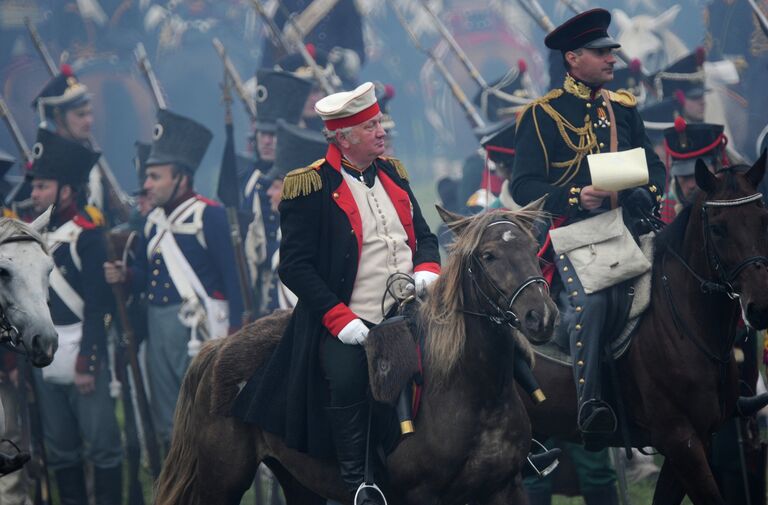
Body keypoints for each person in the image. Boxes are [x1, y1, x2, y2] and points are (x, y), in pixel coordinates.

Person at [232, 82, 440, 504]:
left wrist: (427, 269)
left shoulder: (394, 174)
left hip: (413, 309)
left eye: (379, 122)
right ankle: (359, 479)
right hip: (351, 319)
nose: (381, 132)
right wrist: (340, 319)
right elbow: (294, 266)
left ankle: (513, 448)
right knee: (346, 378)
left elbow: (425, 236)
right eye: (370, 126)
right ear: (343, 139)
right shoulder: (308, 186)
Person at [511, 8, 666, 435]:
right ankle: (591, 405)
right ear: (572, 58)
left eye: (611, 51)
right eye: (601, 53)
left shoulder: (624, 109)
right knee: (594, 303)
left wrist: (645, 195)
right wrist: (577, 195)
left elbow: (655, 168)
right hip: (575, 234)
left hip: (632, 229)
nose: (612, 59)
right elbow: (522, 186)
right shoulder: (542, 115)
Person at [103, 109, 244, 449]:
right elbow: (152, 278)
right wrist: (128, 275)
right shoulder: (153, 223)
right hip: (158, 326)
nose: (147, 184)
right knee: (168, 416)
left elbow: (233, 278)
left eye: (154, 176)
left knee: (204, 416)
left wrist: (237, 334)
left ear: (180, 177)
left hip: (198, 328)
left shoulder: (208, 215)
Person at [28, 128, 123, 505]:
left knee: (102, 449)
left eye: (42, 187)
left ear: (66, 191)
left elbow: (102, 310)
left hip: (84, 353)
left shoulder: (88, 237)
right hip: (47, 355)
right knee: (61, 451)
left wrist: (90, 358)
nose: (33, 194)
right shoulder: (33, 237)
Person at [243, 70, 312, 315]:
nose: (267, 141)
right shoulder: (250, 182)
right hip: (266, 289)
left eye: (274, 135)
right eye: (263, 134)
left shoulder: (307, 176)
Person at [660, 120, 728, 222]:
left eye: (698, 175)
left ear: (717, 169)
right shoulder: (664, 211)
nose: (691, 185)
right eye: (684, 176)